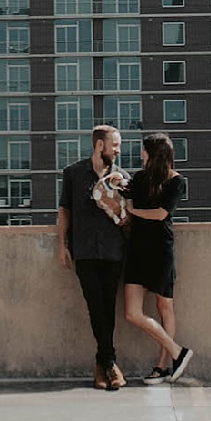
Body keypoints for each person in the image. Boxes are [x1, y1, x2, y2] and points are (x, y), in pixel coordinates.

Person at [56, 124, 130, 391]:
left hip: (113, 251)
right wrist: (61, 244)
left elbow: (127, 217)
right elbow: (65, 211)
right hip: (84, 252)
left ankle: (104, 365)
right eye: (116, 145)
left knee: (108, 307)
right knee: (95, 306)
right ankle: (109, 363)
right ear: (101, 145)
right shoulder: (73, 174)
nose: (118, 150)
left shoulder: (122, 177)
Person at [121, 132, 192, 383]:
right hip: (137, 249)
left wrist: (133, 210)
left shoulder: (176, 181)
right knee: (132, 312)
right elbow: (123, 197)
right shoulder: (138, 178)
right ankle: (178, 352)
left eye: (144, 150)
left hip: (160, 249)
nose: (141, 154)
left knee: (164, 305)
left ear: (154, 153)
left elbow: (162, 214)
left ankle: (162, 366)